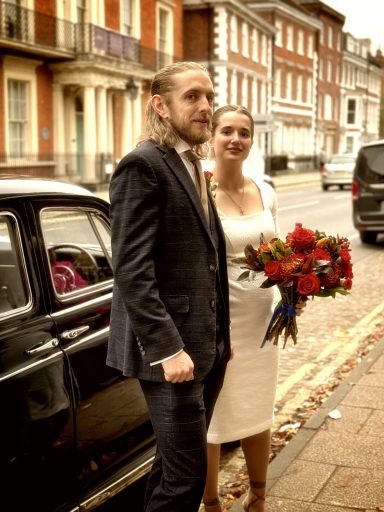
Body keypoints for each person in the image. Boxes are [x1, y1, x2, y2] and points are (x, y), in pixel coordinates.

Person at [106, 62, 231, 512]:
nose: (205, 107)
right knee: (186, 480)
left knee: (171, 469)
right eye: (192, 97)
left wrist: (222, 339)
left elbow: (208, 257)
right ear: (160, 105)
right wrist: (167, 349)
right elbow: (131, 269)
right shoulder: (143, 165)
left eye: (209, 97)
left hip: (205, 347)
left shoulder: (190, 162)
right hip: (171, 355)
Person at [202, 105, 305, 512]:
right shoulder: (200, 192)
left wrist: (296, 286)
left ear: (251, 140)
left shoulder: (266, 190)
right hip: (219, 321)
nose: (235, 139)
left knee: (258, 405)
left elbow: (277, 252)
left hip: (263, 319)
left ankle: (259, 496)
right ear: (212, 137)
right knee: (213, 415)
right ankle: (210, 502)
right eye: (227, 130)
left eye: (243, 132)